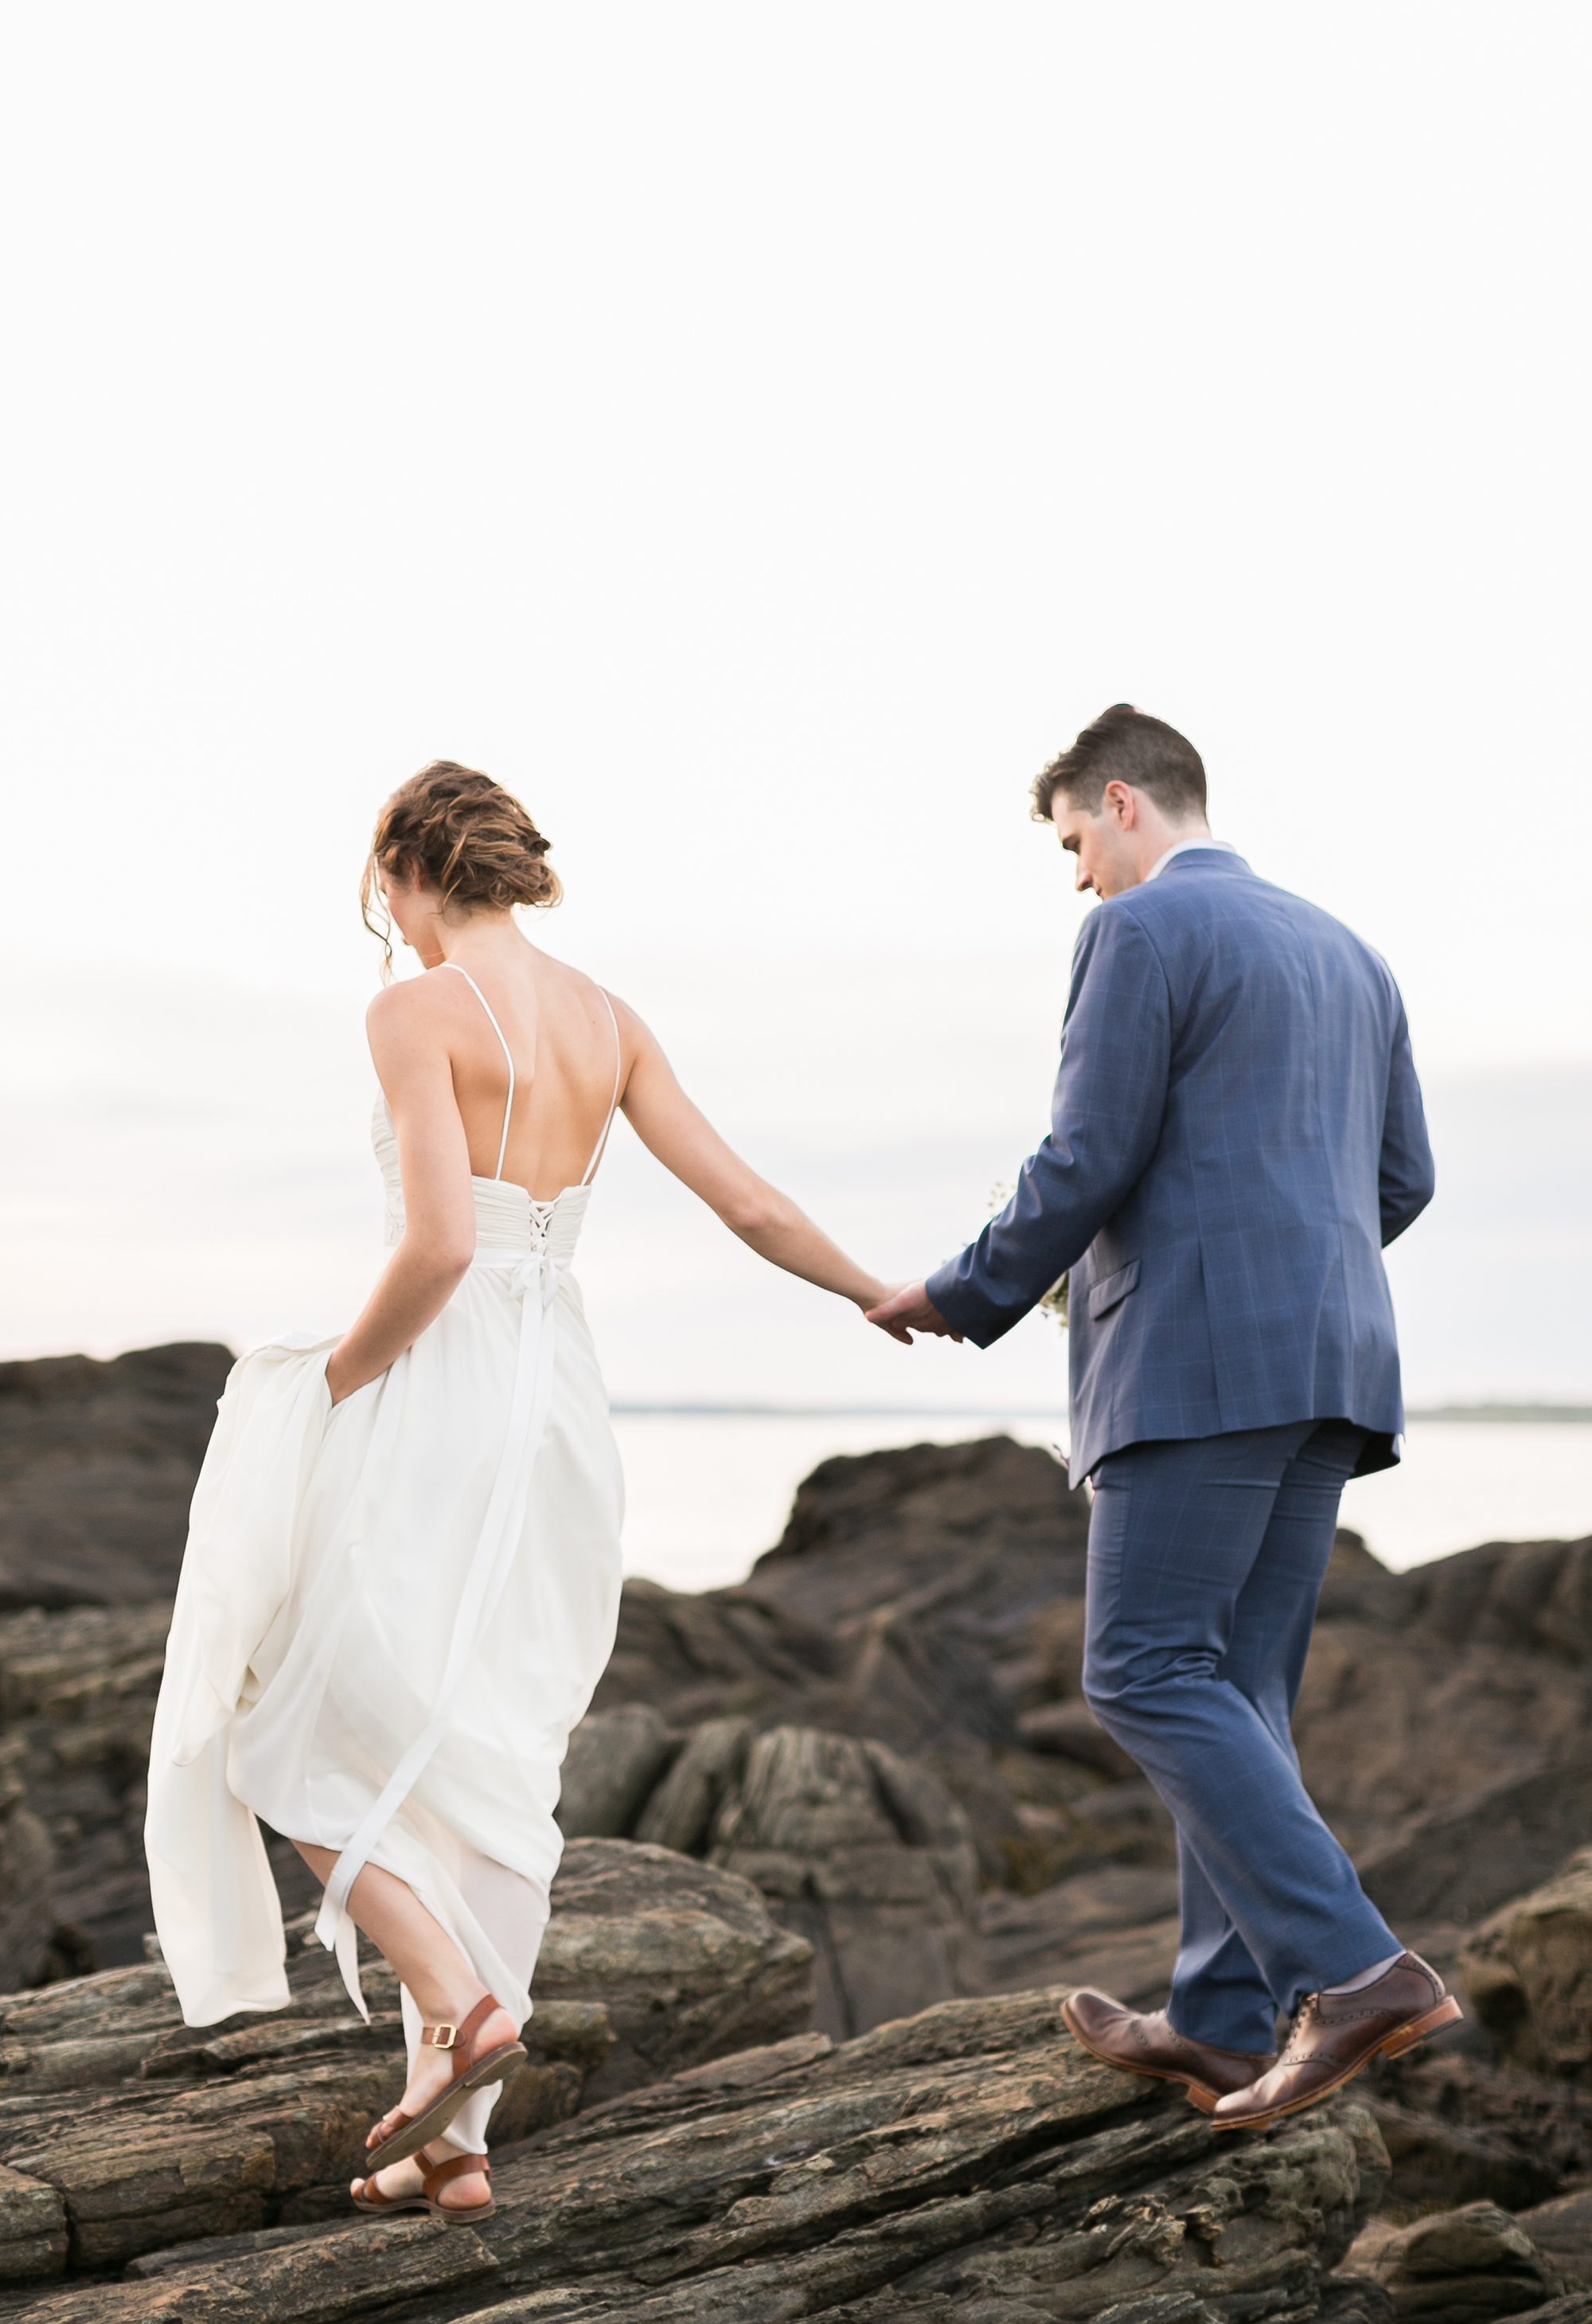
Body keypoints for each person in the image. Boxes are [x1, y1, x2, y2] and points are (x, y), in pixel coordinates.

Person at [146, 760, 891, 2220]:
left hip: (436, 1381)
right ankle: (457, 2144)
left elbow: (432, 1247)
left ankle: (448, 1997)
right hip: (558, 1403)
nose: (393, 928)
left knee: (274, 1715)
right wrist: (877, 1291)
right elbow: (746, 1201)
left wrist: (333, 1381)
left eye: (387, 897)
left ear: (415, 869)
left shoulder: (415, 1011)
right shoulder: (609, 1020)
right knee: (492, 1758)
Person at [868, 703, 1457, 2131]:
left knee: (1139, 1672)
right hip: (1335, 1365)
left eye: (1075, 842)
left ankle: (1359, 1972)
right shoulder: (1351, 952)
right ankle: (1216, 2017)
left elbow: (1087, 1154)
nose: (1077, 875)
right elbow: (1404, 1181)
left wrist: (964, 1291)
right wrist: (1284, 1253)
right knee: (1239, 1694)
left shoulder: (1138, 935)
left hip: (1195, 1369)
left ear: (1123, 802)